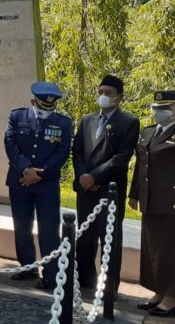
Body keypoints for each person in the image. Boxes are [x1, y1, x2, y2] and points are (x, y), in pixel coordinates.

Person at [72, 75, 139, 290]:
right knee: (84, 238)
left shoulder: (129, 122)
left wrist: (95, 177)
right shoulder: (86, 120)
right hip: (85, 190)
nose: (103, 96)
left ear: (119, 97)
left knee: (109, 240)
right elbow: (78, 151)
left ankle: (108, 289)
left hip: (109, 192)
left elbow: (121, 158)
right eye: (100, 92)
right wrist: (83, 176)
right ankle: (85, 282)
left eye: (108, 93)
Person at [4, 81, 72, 290]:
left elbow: (62, 152)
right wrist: (26, 169)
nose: (46, 112)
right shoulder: (17, 116)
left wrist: (39, 173)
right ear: (34, 101)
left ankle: (50, 274)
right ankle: (27, 267)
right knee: (22, 226)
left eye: (50, 108)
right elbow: (10, 144)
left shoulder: (64, 123)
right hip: (20, 180)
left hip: (46, 184)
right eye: (42, 106)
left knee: (49, 230)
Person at [129, 90, 175, 317]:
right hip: (150, 200)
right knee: (153, 249)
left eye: (164, 107)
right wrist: (134, 194)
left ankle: (171, 297)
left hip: (170, 203)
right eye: (156, 107)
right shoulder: (148, 132)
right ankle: (158, 292)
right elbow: (140, 167)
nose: (158, 112)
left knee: (169, 250)